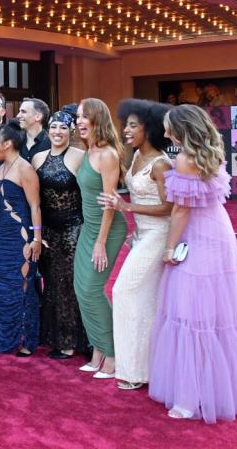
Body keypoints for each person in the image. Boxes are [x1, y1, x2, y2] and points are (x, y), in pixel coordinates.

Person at [149, 105, 237, 422]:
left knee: (191, 314)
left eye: (167, 128)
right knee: (217, 313)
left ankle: (191, 397)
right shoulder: (212, 152)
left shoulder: (184, 159)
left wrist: (169, 248)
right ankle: (219, 388)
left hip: (199, 240)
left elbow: (181, 211)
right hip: (220, 234)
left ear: (182, 128)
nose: (165, 133)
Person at [96, 100, 173, 389]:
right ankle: (146, 370)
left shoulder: (161, 163)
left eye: (132, 125)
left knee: (123, 290)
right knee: (145, 300)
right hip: (140, 235)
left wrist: (126, 209)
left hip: (157, 235)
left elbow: (170, 208)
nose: (126, 130)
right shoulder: (136, 156)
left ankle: (134, 369)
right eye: (125, 124)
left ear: (148, 129)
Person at [74, 98, 128, 379]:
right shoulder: (88, 150)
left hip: (106, 230)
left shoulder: (108, 154)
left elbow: (110, 202)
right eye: (78, 117)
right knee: (81, 290)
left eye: (86, 117)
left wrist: (100, 242)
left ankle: (114, 353)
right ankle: (97, 350)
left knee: (93, 291)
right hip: (88, 228)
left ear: (98, 120)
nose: (79, 121)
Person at [31, 110, 89, 359]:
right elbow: (34, 199)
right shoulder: (37, 158)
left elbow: (90, 196)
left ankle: (71, 341)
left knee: (68, 283)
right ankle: (52, 334)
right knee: (51, 282)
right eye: (53, 127)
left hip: (73, 228)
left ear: (71, 131)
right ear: (47, 130)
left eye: (63, 128)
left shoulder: (80, 156)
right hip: (47, 230)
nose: (57, 132)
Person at [0, 119, 42, 356]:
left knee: (22, 287)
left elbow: (35, 206)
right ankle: (5, 337)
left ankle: (27, 340)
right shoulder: (2, 167)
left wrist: (36, 239)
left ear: (7, 143)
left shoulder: (24, 168)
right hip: (3, 237)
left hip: (22, 237)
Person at [17, 97, 50, 161]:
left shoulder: (51, 142)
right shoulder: (15, 141)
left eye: (23, 112)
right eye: (19, 111)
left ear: (38, 117)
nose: (18, 115)